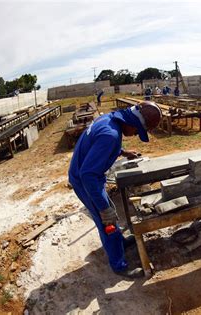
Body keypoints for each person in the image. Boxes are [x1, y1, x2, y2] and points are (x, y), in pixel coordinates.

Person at [68, 101, 162, 278]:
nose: (134, 135)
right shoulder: (110, 135)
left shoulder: (109, 119)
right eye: (137, 131)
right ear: (133, 123)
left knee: (110, 214)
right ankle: (119, 265)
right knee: (107, 220)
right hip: (85, 181)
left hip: (88, 175)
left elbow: (101, 144)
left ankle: (120, 241)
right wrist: (103, 208)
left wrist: (123, 152)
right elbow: (88, 174)